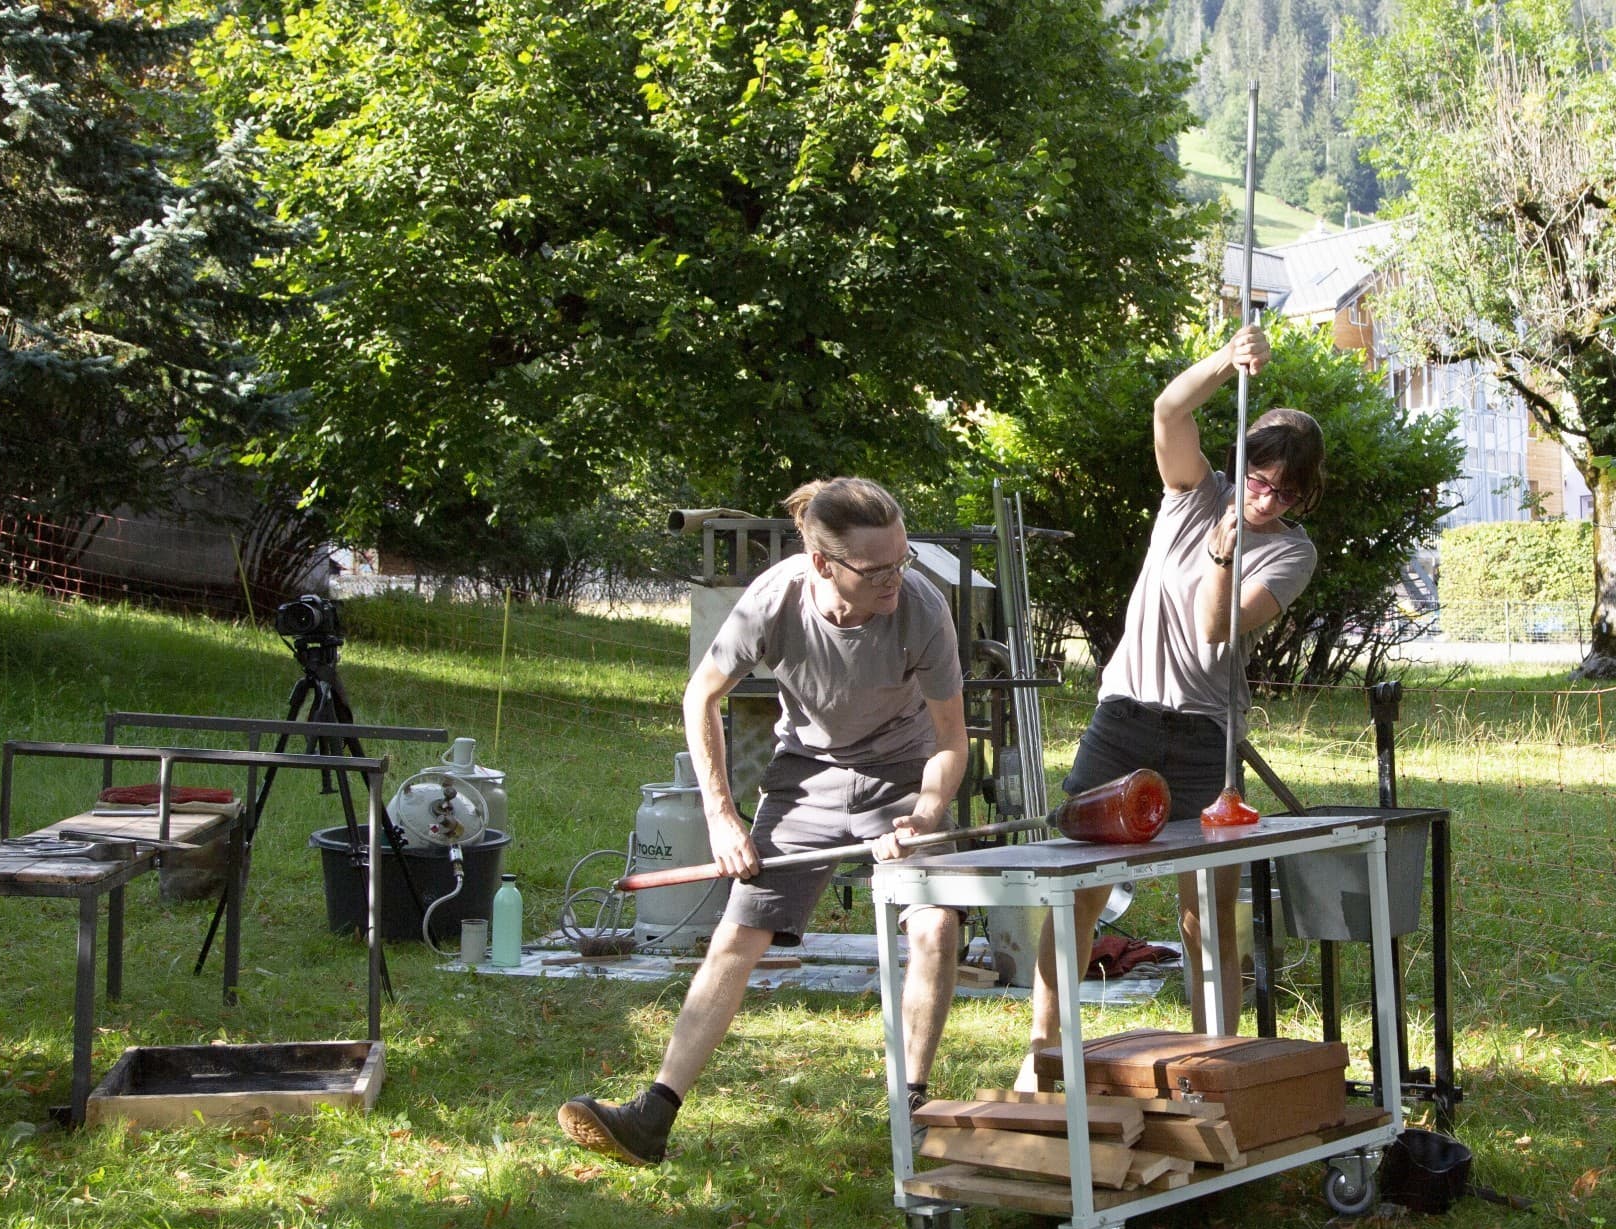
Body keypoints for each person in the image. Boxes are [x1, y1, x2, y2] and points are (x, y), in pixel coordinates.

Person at [558, 477, 970, 1165]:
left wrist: (925, 815)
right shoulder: (775, 599)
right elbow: (701, 696)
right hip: (805, 776)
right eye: (877, 570)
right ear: (823, 564)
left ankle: (911, 1108)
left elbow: (951, 739)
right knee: (738, 936)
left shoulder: (921, 607)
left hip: (904, 775)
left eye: (902, 560)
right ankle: (652, 1117)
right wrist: (722, 818)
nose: (895, 579)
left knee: (935, 925)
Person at [1016, 323, 1324, 1089]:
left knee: (1207, 913)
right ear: (1241, 463)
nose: (1267, 497)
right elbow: (1168, 410)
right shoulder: (1193, 493)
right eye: (1260, 477)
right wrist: (1227, 358)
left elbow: (1217, 627)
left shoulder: (1293, 550)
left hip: (1206, 737)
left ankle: (1211, 1064)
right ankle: (1044, 1057)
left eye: (1286, 490)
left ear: (1304, 494)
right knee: (1079, 890)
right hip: (1126, 717)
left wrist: (1224, 553)